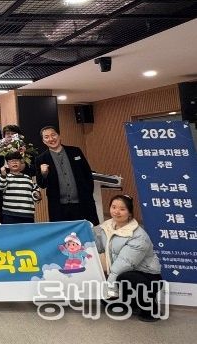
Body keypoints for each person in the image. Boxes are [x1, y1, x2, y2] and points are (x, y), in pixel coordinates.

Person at [94, 194, 163, 322]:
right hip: (124, 272)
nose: (116, 211)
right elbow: (100, 247)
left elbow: (124, 263)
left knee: (125, 277)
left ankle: (150, 310)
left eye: (122, 209)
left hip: (147, 276)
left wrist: (110, 289)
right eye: (114, 207)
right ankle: (131, 303)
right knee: (106, 299)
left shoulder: (138, 235)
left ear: (130, 213)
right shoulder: (107, 227)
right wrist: (87, 233)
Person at [35, 126, 99, 225]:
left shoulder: (75, 151)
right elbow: (41, 184)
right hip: (58, 207)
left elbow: (87, 174)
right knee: (63, 233)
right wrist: (44, 174)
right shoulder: (41, 159)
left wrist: (88, 193)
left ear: (59, 136)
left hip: (82, 203)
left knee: (86, 230)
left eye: (53, 135)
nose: (51, 139)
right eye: (46, 137)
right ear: (43, 141)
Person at [0, 152, 40, 224]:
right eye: (12, 161)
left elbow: (35, 191)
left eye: (17, 160)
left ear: (21, 163)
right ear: (7, 164)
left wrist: (37, 195)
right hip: (10, 215)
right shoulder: (4, 177)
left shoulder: (28, 178)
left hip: (27, 214)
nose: (14, 163)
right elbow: (1, 187)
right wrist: (3, 175)